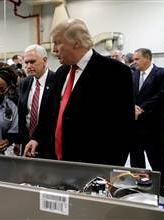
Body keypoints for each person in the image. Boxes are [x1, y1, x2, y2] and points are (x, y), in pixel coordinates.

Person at [24, 18, 135, 167]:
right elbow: (50, 112)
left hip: (92, 166)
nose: (54, 50)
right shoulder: (62, 73)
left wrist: (109, 170)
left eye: (57, 43)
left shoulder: (115, 72)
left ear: (76, 43)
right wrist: (36, 138)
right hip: (57, 162)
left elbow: (123, 128)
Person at [130, 48, 164, 197]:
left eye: (137, 59)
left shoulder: (162, 74)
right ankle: (140, 183)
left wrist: (142, 107)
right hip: (135, 125)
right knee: (136, 158)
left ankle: (160, 185)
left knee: (156, 158)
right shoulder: (134, 74)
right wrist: (132, 107)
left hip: (154, 126)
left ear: (147, 58)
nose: (134, 62)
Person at [18, 44, 55, 157]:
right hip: (26, 144)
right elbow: (22, 115)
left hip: (48, 144)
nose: (28, 66)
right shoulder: (25, 83)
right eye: (26, 63)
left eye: (32, 62)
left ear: (44, 60)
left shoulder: (57, 81)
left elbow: (53, 116)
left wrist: (37, 138)